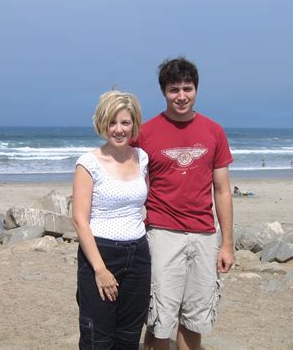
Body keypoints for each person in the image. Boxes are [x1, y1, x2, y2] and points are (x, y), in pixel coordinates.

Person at [132, 57, 234, 350]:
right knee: (159, 319)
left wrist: (227, 243)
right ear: (163, 92)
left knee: (194, 319)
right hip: (162, 233)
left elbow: (223, 190)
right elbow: (134, 183)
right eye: (173, 89)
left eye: (187, 89)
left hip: (204, 234)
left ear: (196, 90)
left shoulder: (214, 131)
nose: (181, 96)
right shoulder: (145, 133)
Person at [72, 90, 151, 349]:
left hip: (138, 255)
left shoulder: (142, 158)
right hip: (101, 253)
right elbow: (80, 221)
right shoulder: (88, 163)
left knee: (129, 336)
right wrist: (100, 269)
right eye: (112, 122)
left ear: (134, 124)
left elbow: (143, 204)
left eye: (125, 122)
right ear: (103, 124)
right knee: (98, 337)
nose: (119, 129)